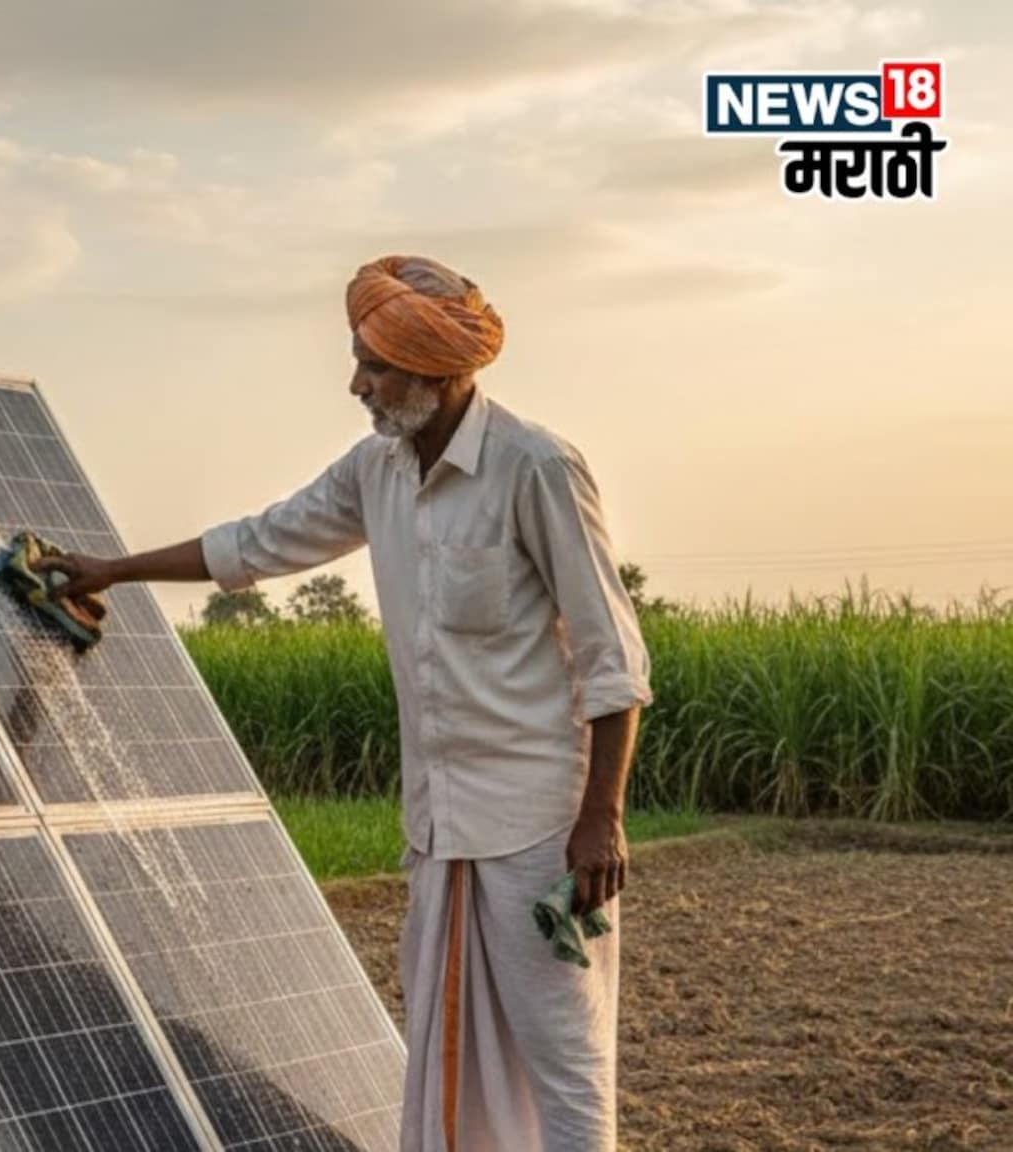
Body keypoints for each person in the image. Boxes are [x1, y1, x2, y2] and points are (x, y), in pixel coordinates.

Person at [39, 255, 652, 1152]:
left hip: (540, 831)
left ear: (439, 372)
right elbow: (260, 540)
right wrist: (113, 571)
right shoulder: (379, 470)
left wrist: (603, 817)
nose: (356, 384)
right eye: (359, 359)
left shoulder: (536, 467)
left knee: (562, 1054)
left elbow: (613, 657)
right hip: (441, 826)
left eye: (376, 366)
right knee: (444, 1052)